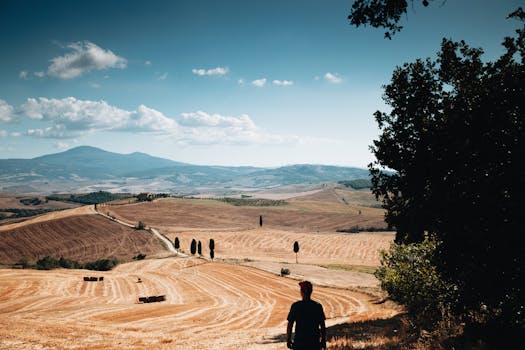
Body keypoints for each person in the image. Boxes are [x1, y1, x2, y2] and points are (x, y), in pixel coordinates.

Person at [286, 280, 327, 350]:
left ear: (302, 292)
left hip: (299, 343)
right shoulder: (317, 306)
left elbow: (290, 324)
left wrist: (288, 340)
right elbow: (322, 325)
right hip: (314, 343)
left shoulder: (296, 306)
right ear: (311, 291)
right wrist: (323, 340)